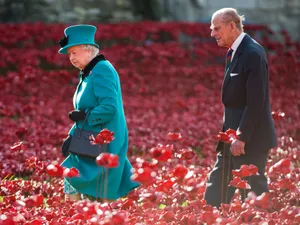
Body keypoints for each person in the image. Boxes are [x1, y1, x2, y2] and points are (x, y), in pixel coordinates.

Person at [204, 8, 277, 207]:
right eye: (212, 29)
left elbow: (256, 101)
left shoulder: (252, 53)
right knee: (214, 194)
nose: (212, 34)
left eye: (216, 28)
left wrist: (242, 136)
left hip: (248, 142)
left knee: (253, 197)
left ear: (232, 26)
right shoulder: (234, 52)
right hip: (231, 139)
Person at [58, 24, 140, 201]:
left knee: (97, 194)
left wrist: (84, 115)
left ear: (88, 50)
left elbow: (110, 107)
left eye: (74, 52)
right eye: (69, 54)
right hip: (88, 140)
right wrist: (72, 135)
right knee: (73, 183)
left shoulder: (102, 69)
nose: (70, 58)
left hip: (102, 142)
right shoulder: (88, 72)